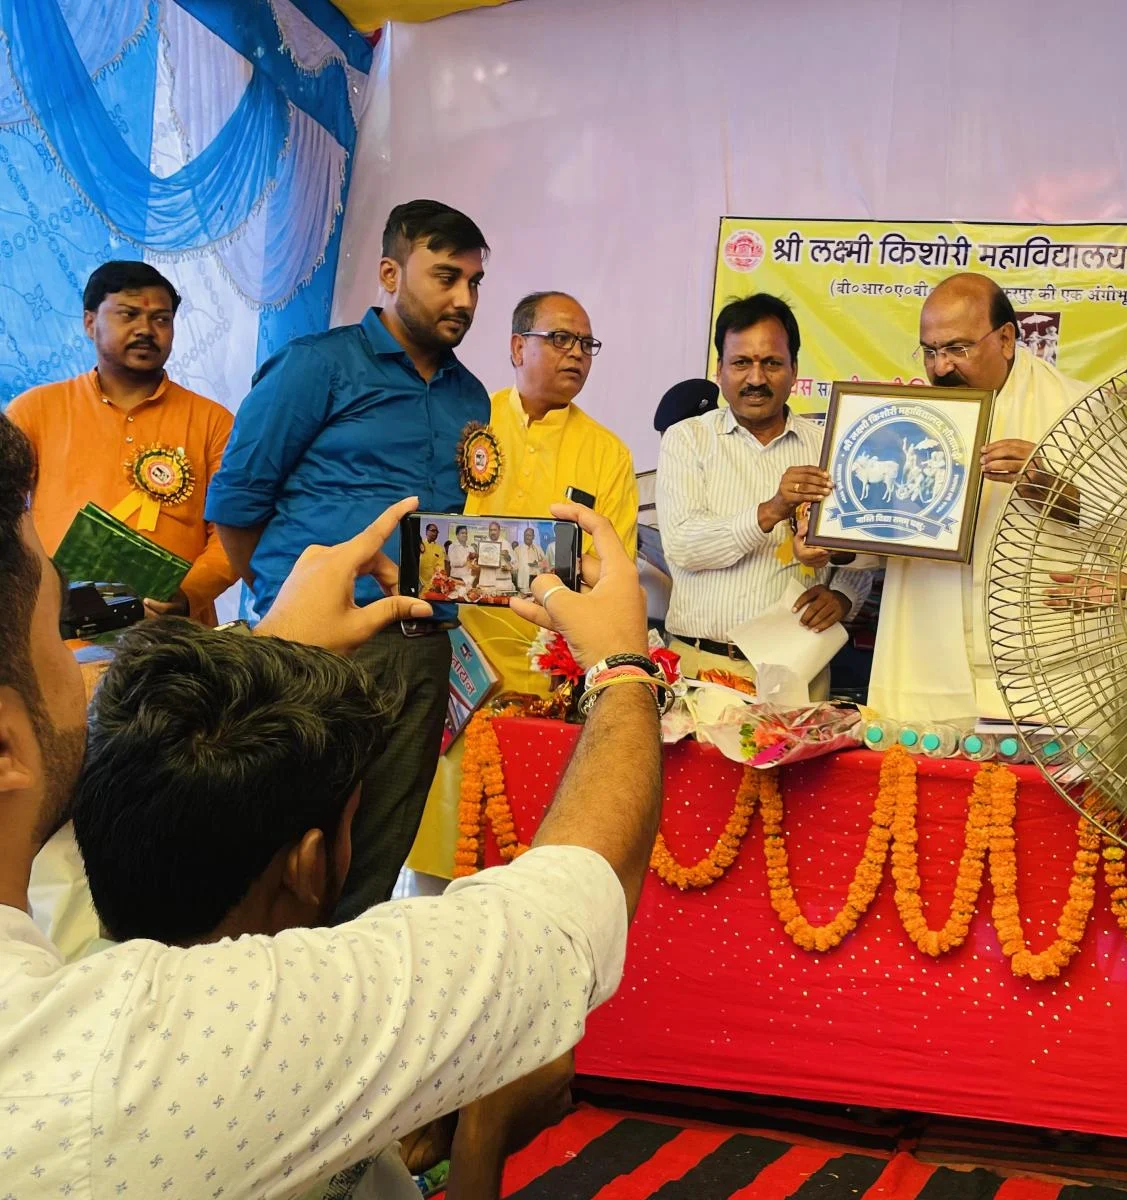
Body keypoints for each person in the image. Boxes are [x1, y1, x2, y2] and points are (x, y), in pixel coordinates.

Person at [2, 404, 664, 1198]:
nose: (86, 669)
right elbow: (567, 914)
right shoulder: (242, 1038)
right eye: (62, 633)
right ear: (310, 866)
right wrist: (623, 666)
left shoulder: (64, 912)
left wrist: (273, 654)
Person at [72, 619, 577, 1200]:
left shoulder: (53, 1002)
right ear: (308, 867)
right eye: (353, 823)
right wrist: (483, 1139)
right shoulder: (314, 1052)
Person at [207, 200, 493, 921]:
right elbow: (236, 506)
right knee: (282, 850)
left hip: (423, 646)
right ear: (390, 273)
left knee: (376, 855)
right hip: (320, 647)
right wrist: (294, 605)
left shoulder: (470, 395)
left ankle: (345, 980)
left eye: (475, 282)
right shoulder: (318, 366)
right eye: (446, 277)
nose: (464, 299)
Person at [867, 273, 1088, 724]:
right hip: (925, 658)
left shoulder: (1080, 409)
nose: (941, 367)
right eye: (930, 351)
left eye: (957, 348)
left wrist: (1055, 489)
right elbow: (883, 532)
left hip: (1044, 675)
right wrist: (832, 540)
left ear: (1005, 339)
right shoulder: (907, 421)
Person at [656, 294, 874, 696]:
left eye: (771, 363)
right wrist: (773, 509)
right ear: (719, 370)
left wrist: (843, 595)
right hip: (702, 666)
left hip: (799, 669)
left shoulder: (829, 446)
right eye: (741, 363)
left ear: (794, 371)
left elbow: (864, 546)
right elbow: (684, 546)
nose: (756, 379)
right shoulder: (687, 440)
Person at [4, 260, 236, 624]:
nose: (146, 330)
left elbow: (232, 532)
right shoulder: (34, 410)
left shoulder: (213, 421)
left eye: (161, 319)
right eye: (128, 314)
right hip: (59, 633)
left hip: (172, 636)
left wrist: (187, 595)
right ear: (89, 322)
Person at [459, 290, 637, 694]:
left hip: (553, 671)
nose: (576, 353)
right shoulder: (471, 421)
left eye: (586, 344)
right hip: (461, 658)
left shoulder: (609, 453)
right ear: (518, 348)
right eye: (560, 338)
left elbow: (612, 575)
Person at [474, 519, 516, 593]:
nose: (492, 532)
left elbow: (513, 561)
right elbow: (478, 562)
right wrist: (478, 558)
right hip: (486, 582)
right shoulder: (483, 544)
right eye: (491, 530)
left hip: (503, 583)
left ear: (499, 531)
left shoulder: (506, 544)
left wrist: (508, 560)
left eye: (495, 530)